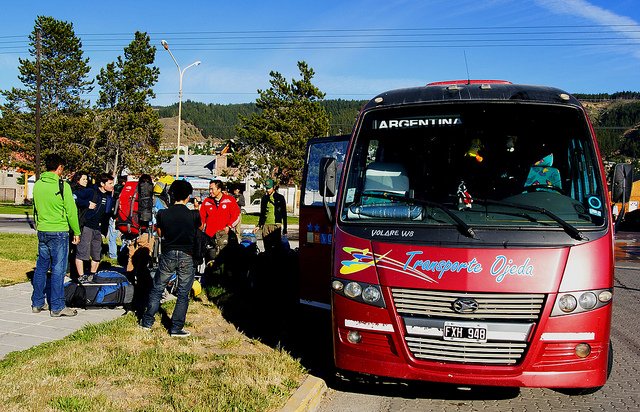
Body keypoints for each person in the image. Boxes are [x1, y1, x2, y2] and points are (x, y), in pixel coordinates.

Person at [140, 179, 200, 337]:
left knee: (158, 287)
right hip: (187, 254)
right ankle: (176, 327)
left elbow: (161, 233)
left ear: (171, 195)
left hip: (168, 253)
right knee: (183, 292)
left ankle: (147, 321)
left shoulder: (163, 213)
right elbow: (198, 231)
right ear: (188, 196)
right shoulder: (194, 214)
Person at [31, 154, 81, 317]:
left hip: (43, 230)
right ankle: (58, 306)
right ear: (59, 167)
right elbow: (71, 211)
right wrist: (77, 231)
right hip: (59, 231)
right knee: (58, 269)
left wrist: (39, 224)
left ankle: (37, 303)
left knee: (41, 267)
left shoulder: (38, 185)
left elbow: (35, 208)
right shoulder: (62, 185)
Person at [75, 173, 115, 279]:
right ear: (102, 184)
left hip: (98, 228)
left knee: (97, 254)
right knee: (82, 252)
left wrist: (104, 230)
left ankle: (92, 275)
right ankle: (81, 276)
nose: (112, 185)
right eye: (110, 183)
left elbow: (107, 214)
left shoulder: (109, 197)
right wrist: (86, 204)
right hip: (87, 226)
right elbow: (74, 197)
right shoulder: (91, 191)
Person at [199, 180, 241, 267]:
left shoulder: (229, 200)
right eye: (209, 189)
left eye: (212, 189)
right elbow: (201, 218)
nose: (210, 191)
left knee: (226, 263)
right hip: (210, 237)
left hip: (224, 236)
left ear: (219, 189)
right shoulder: (206, 201)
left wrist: (229, 226)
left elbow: (236, 216)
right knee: (210, 263)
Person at [255, 178, 287, 255]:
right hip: (266, 225)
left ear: (273, 187)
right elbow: (262, 213)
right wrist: (259, 225)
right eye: (266, 188)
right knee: (267, 248)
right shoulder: (264, 198)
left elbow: (284, 213)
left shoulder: (280, 197)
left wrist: (285, 228)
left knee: (276, 248)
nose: (267, 190)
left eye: (269, 188)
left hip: (276, 225)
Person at [107, 175, 127, 259]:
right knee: (125, 237)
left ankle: (113, 255)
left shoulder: (116, 190)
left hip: (115, 216)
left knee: (112, 237)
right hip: (125, 217)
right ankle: (123, 252)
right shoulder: (127, 192)